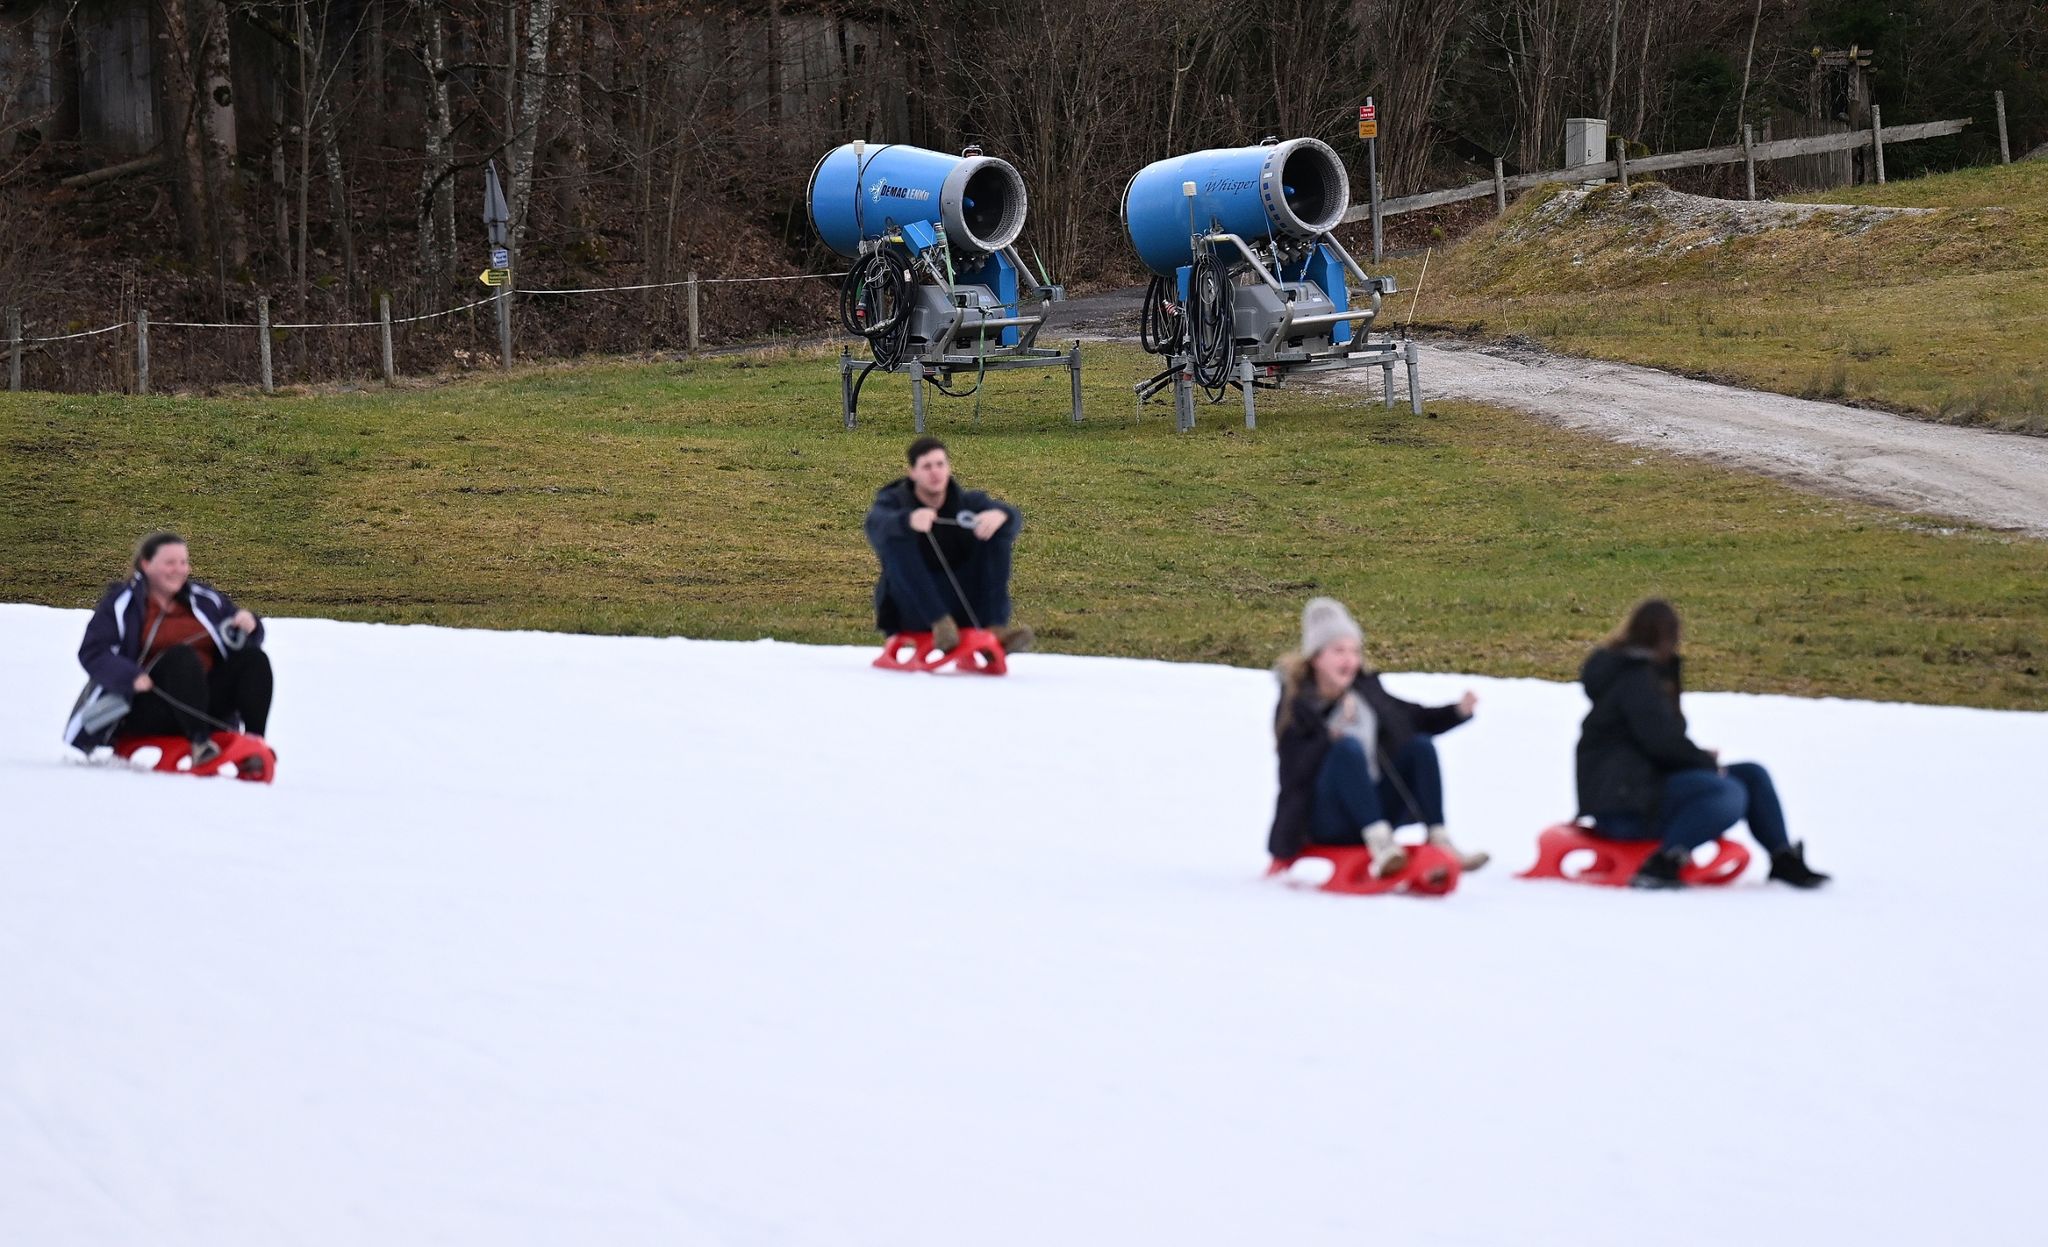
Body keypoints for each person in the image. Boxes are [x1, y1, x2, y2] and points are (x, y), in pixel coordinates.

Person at [1575, 598, 1828, 889]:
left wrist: (1699, 759)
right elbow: (1662, 743)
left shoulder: (1640, 674)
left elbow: (1658, 741)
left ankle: (1783, 859)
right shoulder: (1635, 680)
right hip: (1625, 809)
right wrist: (1705, 764)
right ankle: (1665, 862)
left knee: (1752, 775)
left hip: (1639, 790)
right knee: (1727, 793)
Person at [1269, 597, 1485, 877]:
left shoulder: (1365, 691)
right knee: (1347, 748)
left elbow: (1412, 718)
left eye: (1355, 652)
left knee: (1420, 746)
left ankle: (1438, 837)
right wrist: (1330, 732)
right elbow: (1294, 772)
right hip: (1325, 819)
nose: (1350, 660)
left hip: (1375, 808)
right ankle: (1380, 844)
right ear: (1316, 657)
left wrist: (1456, 711)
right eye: (1339, 651)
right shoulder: (1298, 704)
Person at [65, 531, 274, 774]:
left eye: (183, 562)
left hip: (204, 702)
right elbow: (93, 651)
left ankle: (254, 745)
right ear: (146, 564)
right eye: (170, 563)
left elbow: (245, 638)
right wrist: (130, 676)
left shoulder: (204, 599)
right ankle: (200, 744)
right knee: (182, 657)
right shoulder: (122, 604)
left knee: (254, 659)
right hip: (147, 704)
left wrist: (250, 624)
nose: (179, 569)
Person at [863, 436, 1032, 653]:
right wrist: (907, 521)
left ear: (948, 468)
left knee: (996, 532)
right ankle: (939, 622)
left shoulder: (966, 503)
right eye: (927, 466)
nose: (935, 472)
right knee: (897, 540)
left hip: (961, 605)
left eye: (940, 464)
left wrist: (1001, 516)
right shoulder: (894, 502)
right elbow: (875, 523)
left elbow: (1013, 517)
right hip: (911, 607)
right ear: (912, 473)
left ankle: (994, 628)